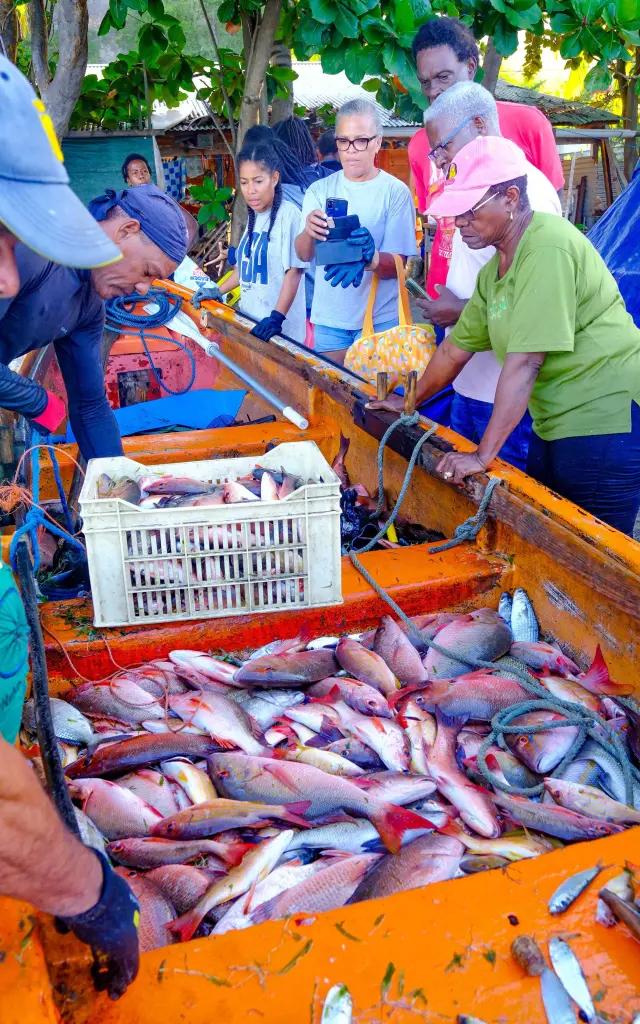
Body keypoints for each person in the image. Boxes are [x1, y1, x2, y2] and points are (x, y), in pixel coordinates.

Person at [0, 54, 140, 1001]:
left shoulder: (79, 298)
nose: (7, 276)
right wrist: (91, 892)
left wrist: (116, 488)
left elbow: (90, 408)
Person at [374, 135, 640, 535]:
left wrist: (482, 456)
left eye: (469, 211)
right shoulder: (495, 272)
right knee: (552, 536)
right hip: (553, 420)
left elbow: (526, 362)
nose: (459, 222)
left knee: (595, 547)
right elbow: (454, 350)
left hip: (605, 415)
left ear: (511, 198)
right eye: (455, 212)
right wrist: (407, 402)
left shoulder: (547, 247)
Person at [417, 83, 562, 469]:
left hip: (506, 400)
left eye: (444, 147)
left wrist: (460, 311)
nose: (439, 160)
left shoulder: (532, 196)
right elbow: (484, 300)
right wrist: (410, 400)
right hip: (469, 383)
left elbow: (533, 327)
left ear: (479, 126)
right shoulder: (470, 191)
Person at [0, 182, 188, 460]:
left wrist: (117, 477)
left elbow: (91, 408)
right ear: (126, 231)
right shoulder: (27, 245)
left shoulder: (89, 309)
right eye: (148, 272)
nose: (143, 290)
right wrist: (35, 400)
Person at [408, 16, 565, 301]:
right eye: (425, 82)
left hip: (508, 303)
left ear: (470, 67)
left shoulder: (528, 124)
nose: (433, 91)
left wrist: (473, 308)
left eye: (443, 76)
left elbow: (549, 221)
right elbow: (437, 222)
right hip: (446, 296)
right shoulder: (422, 144)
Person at [295, 99, 417, 364]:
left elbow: (400, 266)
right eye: (343, 141)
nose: (351, 150)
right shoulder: (319, 190)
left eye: (361, 140)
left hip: (380, 321)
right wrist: (309, 231)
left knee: (376, 391)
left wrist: (371, 258)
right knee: (331, 390)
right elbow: (304, 255)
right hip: (329, 322)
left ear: (377, 142)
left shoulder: (395, 192)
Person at [214, 140, 308, 342]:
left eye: (258, 181)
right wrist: (216, 291)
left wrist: (276, 318)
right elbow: (244, 271)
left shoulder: (289, 216)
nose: (251, 190)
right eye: (244, 182)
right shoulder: (254, 217)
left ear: (274, 178)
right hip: (251, 326)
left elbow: (294, 272)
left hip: (280, 336)